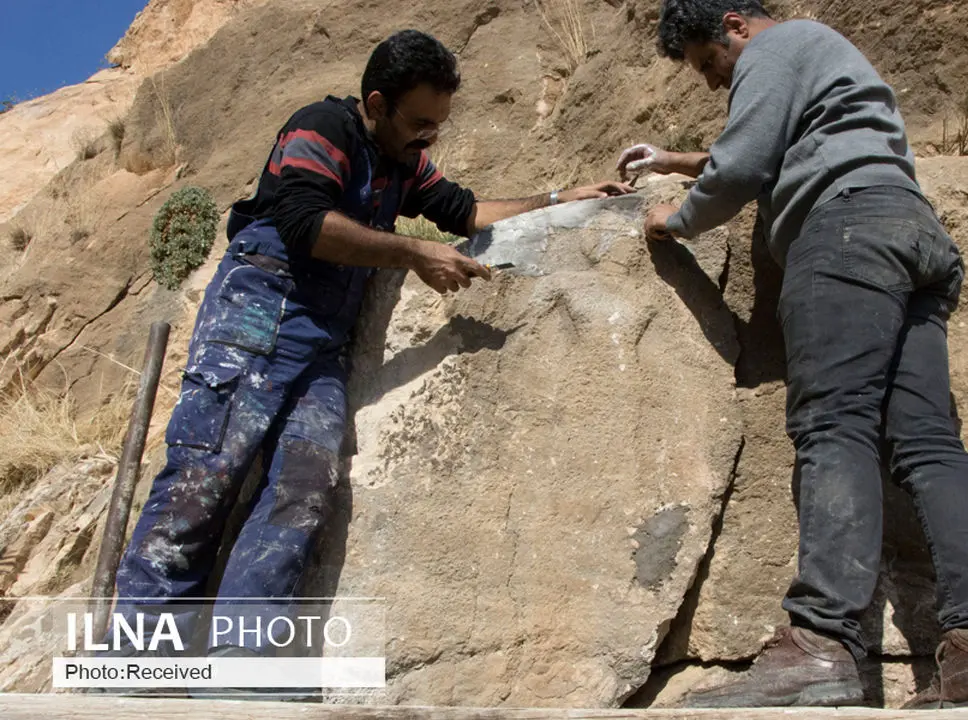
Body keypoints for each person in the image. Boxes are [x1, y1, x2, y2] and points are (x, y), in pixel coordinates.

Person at [110, 30, 632, 670]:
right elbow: (304, 222)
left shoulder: (404, 162)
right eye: (418, 122)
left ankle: (240, 666)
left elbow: (464, 211)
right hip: (256, 318)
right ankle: (134, 665)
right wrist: (411, 250)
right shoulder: (323, 127)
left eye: (437, 124)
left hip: (323, 344)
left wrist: (557, 199)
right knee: (203, 480)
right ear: (378, 103)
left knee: (300, 491)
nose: (428, 136)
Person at [618, 0, 968, 709]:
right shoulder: (820, 57)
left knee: (833, 429)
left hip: (844, 237)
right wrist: (677, 158)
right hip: (911, 233)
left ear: (734, 24)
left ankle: (819, 647)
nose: (712, 82)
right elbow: (786, 142)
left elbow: (745, 161)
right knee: (929, 444)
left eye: (708, 64)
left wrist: (676, 217)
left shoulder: (774, 49)